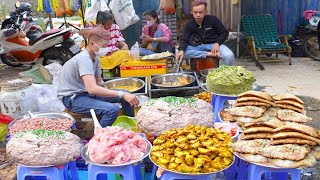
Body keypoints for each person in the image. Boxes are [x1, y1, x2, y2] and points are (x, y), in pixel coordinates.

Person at [58, 25, 139, 127]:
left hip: (85, 93)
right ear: (92, 43)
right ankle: (98, 138)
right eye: (104, 46)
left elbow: (99, 82)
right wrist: (120, 94)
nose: (106, 49)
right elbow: (92, 89)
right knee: (112, 110)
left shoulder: (95, 58)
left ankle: (131, 125)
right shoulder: (84, 60)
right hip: (72, 98)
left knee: (127, 94)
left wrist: (117, 95)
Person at [176, 0, 235, 66]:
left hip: (213, 45)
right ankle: (208, 54)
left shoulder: (213, 20)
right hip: (196, 46)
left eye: (200, 12)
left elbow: (224, 32)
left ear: (205, 12)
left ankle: (225, 73)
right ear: (192, 12)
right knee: (178, 51)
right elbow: (184, 39)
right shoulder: (189, 24)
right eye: (195, 12)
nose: (198, 15)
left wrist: (217, 43)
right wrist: (181, 50)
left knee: (229, 56)